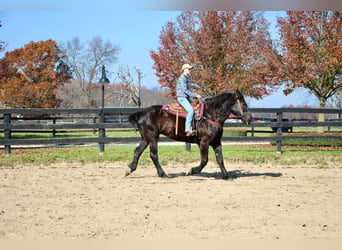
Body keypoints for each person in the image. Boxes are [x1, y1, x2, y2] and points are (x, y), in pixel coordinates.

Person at [176, 64, 202, 136]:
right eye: (189, 69)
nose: (190, 70)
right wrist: (195, 95)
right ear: (184, 69)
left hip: (186, 98)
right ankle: (187, 129)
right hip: (182, 98)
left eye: (190, 69)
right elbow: (185, 91)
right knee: (190, 110)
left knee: (197, 106)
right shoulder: (183, 78)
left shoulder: (186, 78)